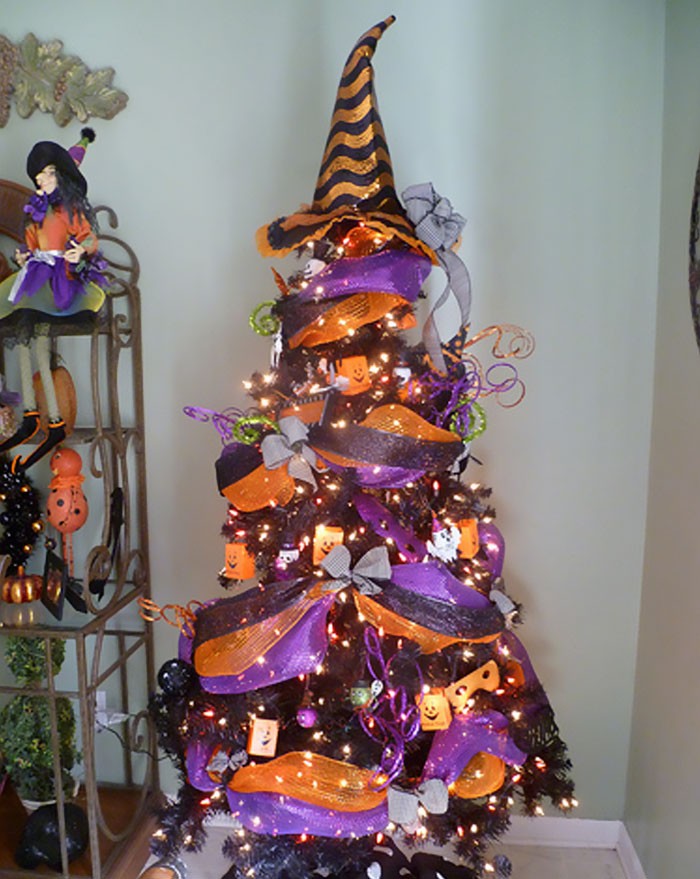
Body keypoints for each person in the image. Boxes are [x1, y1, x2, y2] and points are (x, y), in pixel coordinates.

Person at [0, 127, 109, 470]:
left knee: (39, 334)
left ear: (60, 174)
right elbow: (31, 243)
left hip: (60, 278)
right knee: (22, 335)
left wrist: (81, 251)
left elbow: (88, 237)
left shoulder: (71, 210)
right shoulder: (36, 212)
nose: (43, 181)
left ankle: (55, 419)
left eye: (47, 173)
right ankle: (31, 414)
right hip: (36, 273)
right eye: (38, 177)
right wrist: (23, 255)